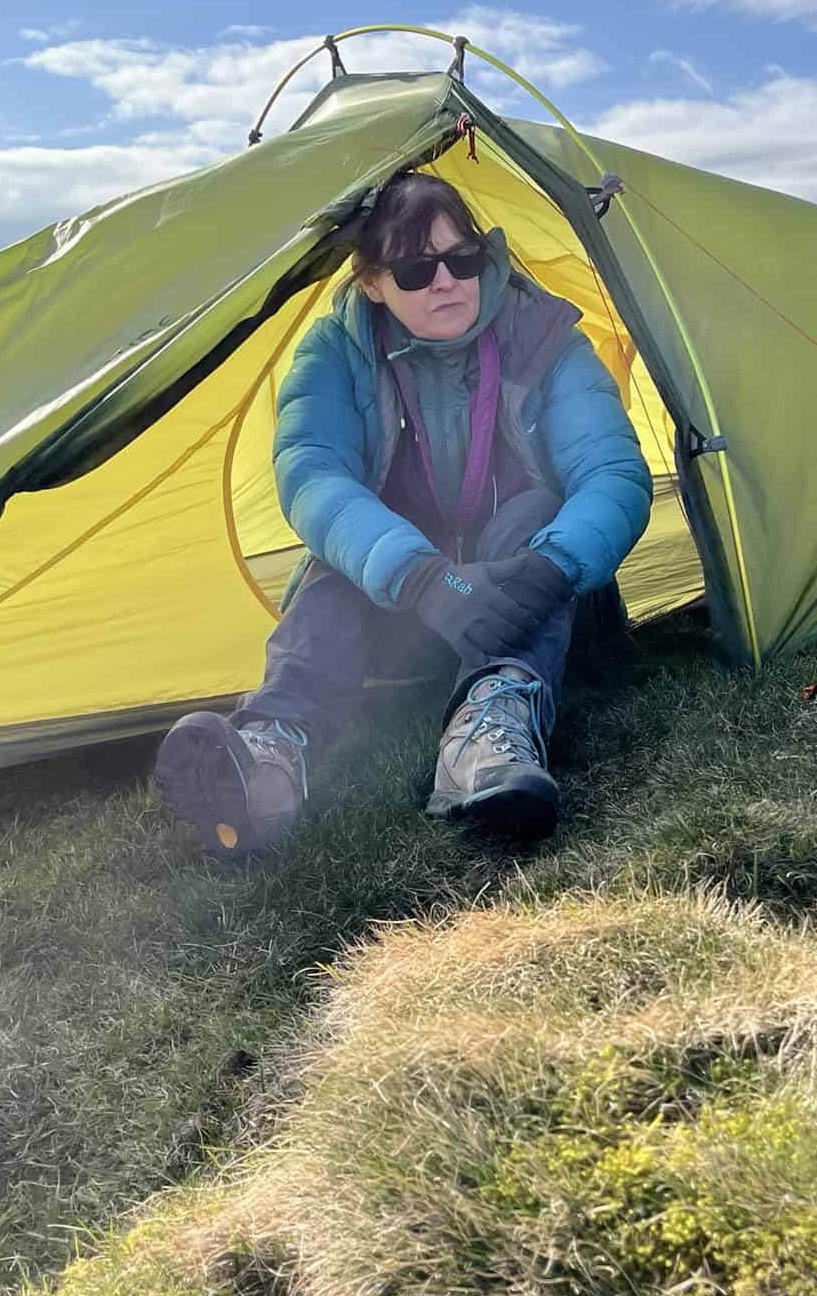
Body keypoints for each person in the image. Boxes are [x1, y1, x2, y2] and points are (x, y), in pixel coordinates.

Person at [153, 170, 654, 856]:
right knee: (341, 555)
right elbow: (312, 477)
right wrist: (425, 579)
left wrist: (549, 567)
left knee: (537, 505)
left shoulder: (546, 336)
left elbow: (613, 472)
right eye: (416, 268)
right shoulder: (335, 352)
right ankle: (271, 756)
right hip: (409, 612)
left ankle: (489, 732)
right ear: (372, 282)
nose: (445, 280)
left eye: (462, 258)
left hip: (532, 598)